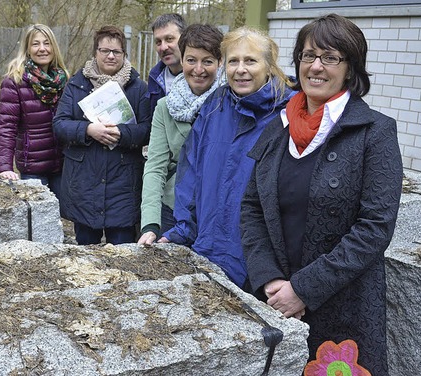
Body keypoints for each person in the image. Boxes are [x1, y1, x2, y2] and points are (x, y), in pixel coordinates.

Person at [240, 14, 402, 374]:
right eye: (308, 55)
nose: (316, 66)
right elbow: (252, 207)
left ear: (350, 69)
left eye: (330, 57)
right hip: (276, 297)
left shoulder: (375, 133)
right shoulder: (278, 127)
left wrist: (304, 289)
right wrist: (271, 279)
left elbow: (375, 227)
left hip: (344, 310)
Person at [158, 27, 296, 290]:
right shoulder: (216, 105)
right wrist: (182, 230)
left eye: (250, 61)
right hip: (207, 250)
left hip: (259, 268)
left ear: (269, 66)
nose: (240, 69)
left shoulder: (290, 114)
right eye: (233, 61)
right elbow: (192, 175)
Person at [53, 26, 151, 245]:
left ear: (124, 55)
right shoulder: (76, 84)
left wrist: (122, 133)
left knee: (123, 253)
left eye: (116, 52)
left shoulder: (138, 88)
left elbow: (148, 129)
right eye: (104, 50)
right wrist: (88, 130)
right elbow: (59, 125)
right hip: (84, 183)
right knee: (86, 254)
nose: (110, 56)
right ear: (95, 52)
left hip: (123, 184)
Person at [138, 24, 224, 246]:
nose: (198, 69)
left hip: (215, 213)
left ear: (219, 63)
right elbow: (155, 166)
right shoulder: (165, 107)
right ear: (182, 59)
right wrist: (150, 224)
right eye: (191, 60)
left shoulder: (228, 104)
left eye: (207, 61)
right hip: (173, 209)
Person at [0, 24, 70, 197]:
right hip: (33, 167)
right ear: (28, 49)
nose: (42, 49)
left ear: (54, 47)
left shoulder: (63, 79)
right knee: (37, 221)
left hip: (62, 164)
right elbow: (7, 127)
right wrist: (4, 166)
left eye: (47, 43)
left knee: (62, 218)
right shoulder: (14, 81)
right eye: (36, 44)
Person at [146, 13, 187, 113]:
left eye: (169, 39)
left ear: (185, 38)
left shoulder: (200, 77)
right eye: (158, 42)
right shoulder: (154, 77)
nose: (163, 47)